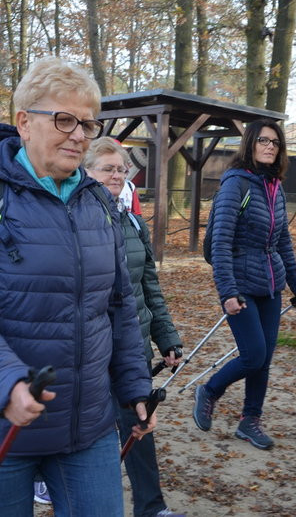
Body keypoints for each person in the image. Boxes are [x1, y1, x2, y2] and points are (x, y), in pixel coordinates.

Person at [0, 57, 155, 517]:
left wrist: (133, 385)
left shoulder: (97, 202)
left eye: (87, 123)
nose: (78, 134)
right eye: (64, 120)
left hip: (86, 425)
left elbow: (119, 302)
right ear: (24, 123)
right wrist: (5, 382)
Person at [192, 119, 296, 450]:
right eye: (263, 141)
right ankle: (211, 390)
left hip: (270, 284)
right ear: (250, 145)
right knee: (254, 354)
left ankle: (250, 420)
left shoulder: (274, 187)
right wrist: (227, 292)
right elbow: (221, 242)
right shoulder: (236, 185)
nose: (270, 146)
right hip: (240, 284)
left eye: (275, 142)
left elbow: (283, 241)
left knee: (265, 358)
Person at [83, 136, 184, 517]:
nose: (116, 175)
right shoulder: (72, 222)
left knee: (139, 424)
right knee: (84, 428)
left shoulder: (134, 223)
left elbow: (150, 287)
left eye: (122, 170)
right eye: (107, 168)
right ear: (86, 170)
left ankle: (151, 507)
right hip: (90, 349)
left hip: (132, 346)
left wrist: (166, 337)